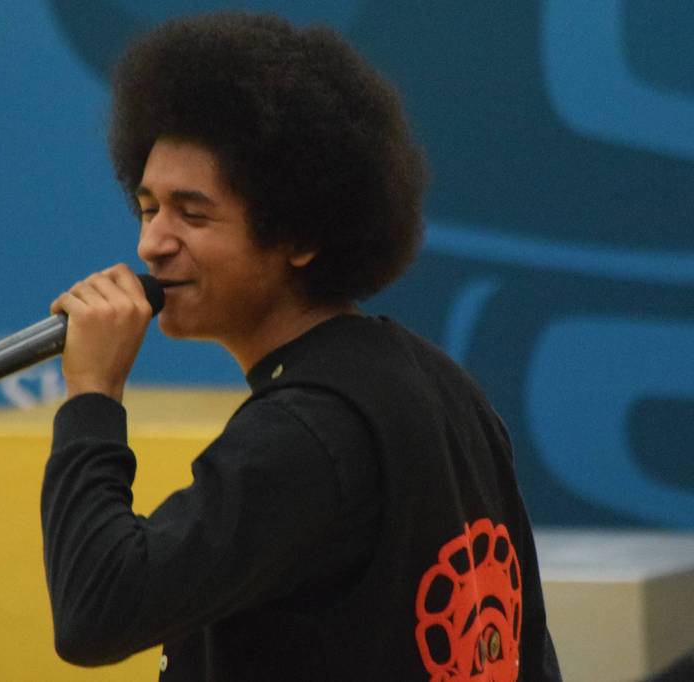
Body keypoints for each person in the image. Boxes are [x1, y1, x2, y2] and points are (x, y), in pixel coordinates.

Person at [41, 11, 561, 681]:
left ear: (301, 234)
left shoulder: (304, 436)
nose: (152, 244)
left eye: (192, 214)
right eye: (148, 208)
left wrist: (92, 398)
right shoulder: (433, 381)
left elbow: (96, 611)